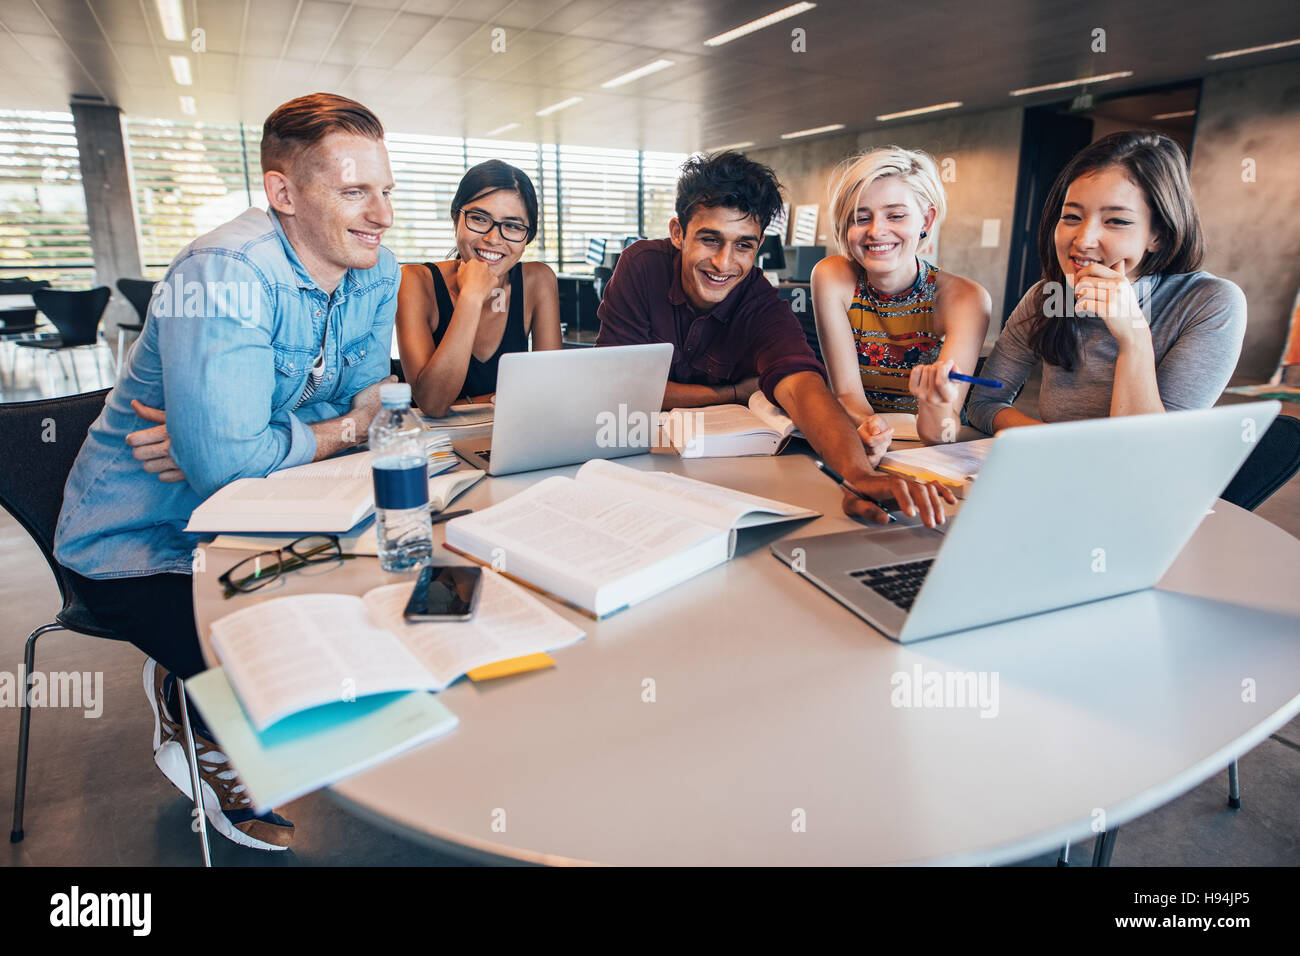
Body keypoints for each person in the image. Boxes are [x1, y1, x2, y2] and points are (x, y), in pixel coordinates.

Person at [53, 93, 400, 851]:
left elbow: (371, 407)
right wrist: (319, 432)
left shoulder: (375, 268)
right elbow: (239, 463)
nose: (381, 214)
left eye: (386, 189)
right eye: (353, 191)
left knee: (383, 608)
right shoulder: (224, 272)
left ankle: (197, 679)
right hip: (139, 541)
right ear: (282, 193)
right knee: (285, 662)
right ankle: (198, 705)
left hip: (265, 517)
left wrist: (252, 442)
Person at [595, 150, 953, 527]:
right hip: (630, 459)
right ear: (678, 233)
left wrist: (858, 474)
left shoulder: (759, 299)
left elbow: (801, 385)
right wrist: (731, 393)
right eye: (710, 240)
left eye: (744, 245)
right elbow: (618, 386)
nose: (723, 263)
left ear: (759, 244)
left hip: (722, 475)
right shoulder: (641, 266)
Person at [967, 130, 1246, 433]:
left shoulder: (1210, 302)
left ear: (1159, 234)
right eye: (1072, 217)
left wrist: (1133, 336)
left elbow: (1149, 449)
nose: (1084, 240)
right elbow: (984, 403)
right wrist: (1050, 446)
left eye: (1116, 221)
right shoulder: (1048, 297)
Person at [812, 146, 991, 448]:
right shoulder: (832, 277)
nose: (877, 231)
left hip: (928, 451)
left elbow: (942, 433)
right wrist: (871, 431)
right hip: (860, 439)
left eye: (895, 215)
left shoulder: (966, 298)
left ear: (926, 221)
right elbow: (847, 395)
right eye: (861, 218)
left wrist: (934, 403)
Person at [395, 160, 561, 416]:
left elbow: (549, 392)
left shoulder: (537, 280)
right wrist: (471, 296)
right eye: (479, 219)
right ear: (455, 218)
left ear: (528, 237)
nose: (493, 238)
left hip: (513, 435)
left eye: (513, 226)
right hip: (438, 446)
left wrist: (465, 404)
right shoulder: (415, 281)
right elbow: (433, 403)